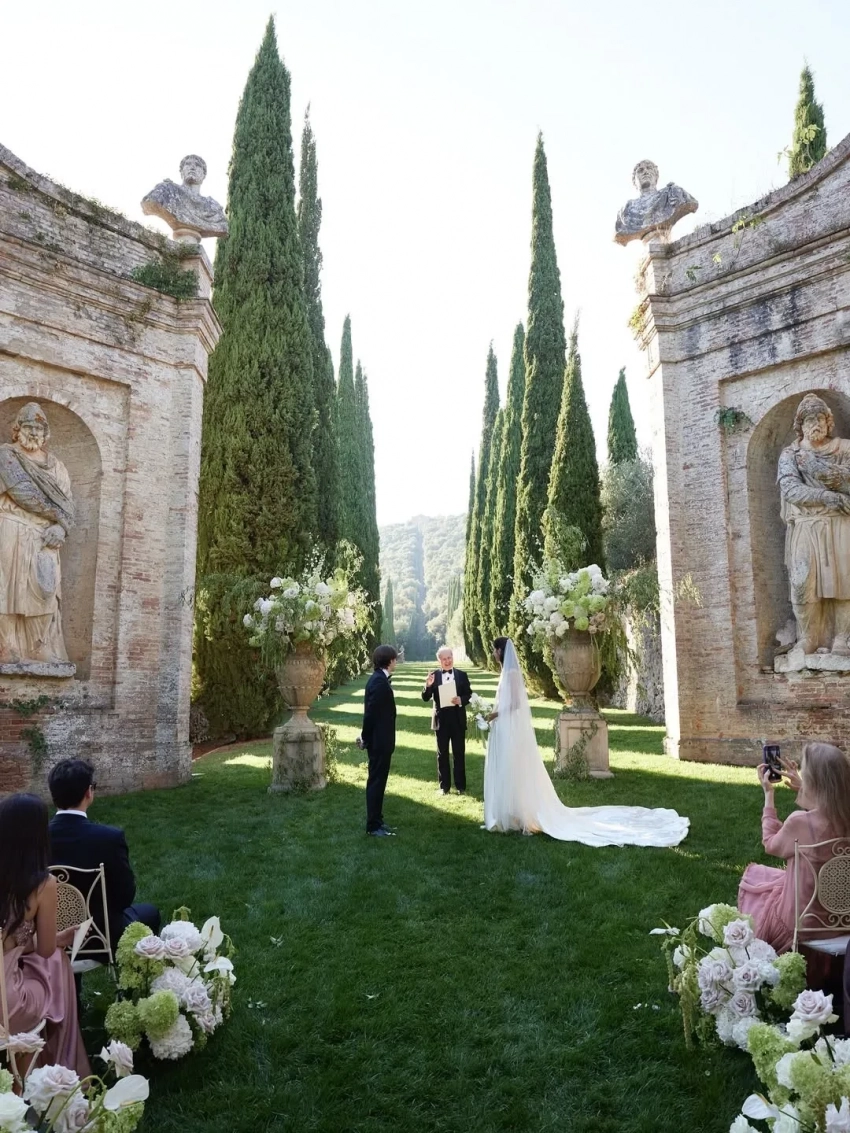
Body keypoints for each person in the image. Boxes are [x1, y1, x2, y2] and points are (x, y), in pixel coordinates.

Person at [482, 637, 689, 847]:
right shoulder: (505, 673)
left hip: (510, 727)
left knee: (515, 767)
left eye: (494, 650)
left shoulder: (511, 674)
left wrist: (494, 715)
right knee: (511, 768)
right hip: (505, 726)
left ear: (501, 651)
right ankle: (514, 812)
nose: (493, 654)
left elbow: (516, 704)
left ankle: (520, 814)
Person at [0, 793, 90, 1076]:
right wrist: (58, 940)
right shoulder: (43, 884)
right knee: (57, 962)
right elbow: (46, 950)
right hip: (7, 1006)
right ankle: (58, 1064)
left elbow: (9, 939)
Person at [738, 742, 850, 952]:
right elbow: (829, 813)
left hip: (803, 923)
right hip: (843, 921)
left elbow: (770, 844)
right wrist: (804, 788)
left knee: (756, 876)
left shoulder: (800, 822)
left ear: (814, 784)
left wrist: (768, 795)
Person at [48, 759, 161, 952]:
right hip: (101, 935)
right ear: (88, 792)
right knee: (151, 912)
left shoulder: (32, 839)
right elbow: (125, 896)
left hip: (49, 935)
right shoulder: (109, 838)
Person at [0, 402, 74, 666]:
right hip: (8, 528)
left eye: (39, 428)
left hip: (44, 536)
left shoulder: (56, 467)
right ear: (17, 429)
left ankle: (37, 647)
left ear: (46, 433)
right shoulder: (5, 457)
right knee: (6, 588)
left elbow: (67, 506)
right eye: (29, 427)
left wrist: (61, 528)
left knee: (44, 589)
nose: (34, 432)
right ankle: (6, 647)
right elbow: (20, 493)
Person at [778, 394, 850, 655]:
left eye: (820, 418)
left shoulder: (844, 448)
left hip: (840, 523)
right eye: (809, 419)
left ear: (828, 422)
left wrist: (821, 472)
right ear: (801, 425)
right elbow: (790, 489)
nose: (815, 423)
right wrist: (827, 496)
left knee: (844, 583)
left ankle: (842, 638)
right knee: (801, 583)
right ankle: (808, 637)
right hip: (805, 525)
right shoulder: (791, 455)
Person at [421, 645, 473, 795]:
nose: (447, 661)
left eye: (449, 658)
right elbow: (425, 698)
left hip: (457, 719)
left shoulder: (462, 675)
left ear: (452, 658)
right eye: (444, 659)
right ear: (439, 661)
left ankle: (461, 786)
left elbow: (469, 694)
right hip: (441, 720)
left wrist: (461, 699)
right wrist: (428, 685)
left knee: (459, 753)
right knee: (442, 754)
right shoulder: (434, 676)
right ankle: (444, 787)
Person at [359, 645, 398, 837]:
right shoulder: (379, 682)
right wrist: (365, 738)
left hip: (381, 740)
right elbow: (370, 715)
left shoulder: (379, 679)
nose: (396, 662)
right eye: (395, 659)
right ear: (390, 661)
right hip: (379, 742)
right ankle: (373, 826)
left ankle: (378, 821)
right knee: (376, 782)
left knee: (379, 782)